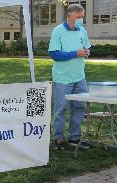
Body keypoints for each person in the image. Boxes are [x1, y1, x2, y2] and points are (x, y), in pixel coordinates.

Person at [48, 4, 91, 150]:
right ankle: (58, 139)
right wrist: (76, 53)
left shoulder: (82, 30)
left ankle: (75, 137)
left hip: (79, 76)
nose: (81, 20)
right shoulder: (58, 31)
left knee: (79, 107)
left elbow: (86, 47)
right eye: (78, 17)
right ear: (69, 16)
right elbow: (54, 54)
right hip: (62, 78)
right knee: (60, 109)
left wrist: (86, 51)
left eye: (82, 17)